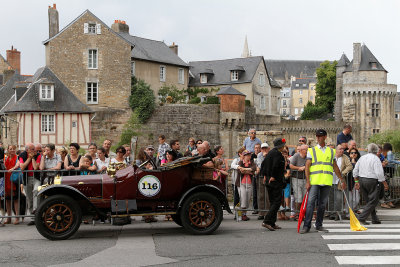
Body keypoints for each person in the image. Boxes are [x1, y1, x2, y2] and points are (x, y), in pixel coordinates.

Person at [300, 129, 346, 234]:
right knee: (311, 203)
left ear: (325, 137)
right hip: (315, 181)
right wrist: (308, 181)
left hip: (326, 181)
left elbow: (335, 167)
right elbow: (307, 166)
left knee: (322, 205)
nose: (318, 138)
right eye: (317, 136)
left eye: (320, 136)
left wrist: (342, 179)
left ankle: (319, 225)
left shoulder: (331, 151)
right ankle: (306, 225)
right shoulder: (312, 150)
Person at [353, 143, 388, 225]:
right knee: (373, 201)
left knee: (369, 200)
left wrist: (356, 181)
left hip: (362, 180)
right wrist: (385, 183)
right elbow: (379, 173)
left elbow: (355, 170)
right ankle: (361, 218)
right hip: (372, 181)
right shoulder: (376, 159)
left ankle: (374, 218)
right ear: (376, 150)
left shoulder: (362, 158)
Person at [261, 138, 287, 231]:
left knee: (273, 202)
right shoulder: (277, 154)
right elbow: (276, 166)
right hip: (275, 181)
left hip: (269, 180)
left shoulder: (270, 153)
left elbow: (263, 165)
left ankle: (272, 222)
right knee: (276, 201)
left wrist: (265, 175)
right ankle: (267, 221)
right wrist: (273, 176)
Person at [328, 145, 352, 221]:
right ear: (336, 150)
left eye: (343, 149)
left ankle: (338, 213)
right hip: (330, 180)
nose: (342, 150)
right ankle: (331, 213)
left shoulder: (345, 157)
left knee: (339, 198)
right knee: (330, 198)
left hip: (339, 181)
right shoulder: (331, 156)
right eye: (340, 149)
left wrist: (342, 173)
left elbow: (350, 166)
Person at [18, 143, 41, 225]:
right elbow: (22, 167)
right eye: (32, 149)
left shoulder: (38, 155)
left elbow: (35, 168)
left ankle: (36, 215)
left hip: (36, 178)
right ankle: (32, 218)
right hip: (26, 178)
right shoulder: (22, 155)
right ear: (27, 150)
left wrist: (33, 158)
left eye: (34, 149)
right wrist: (29, 158)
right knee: (29, 198)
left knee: (36, 191)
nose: (34, 150)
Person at [289, 144, 308, 219]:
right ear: (302, 150)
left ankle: (302, 213)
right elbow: (291, 165)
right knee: (298, 197)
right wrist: (299, 168)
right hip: (296, 178)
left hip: (305, 179)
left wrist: (305, 167)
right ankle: (297, 213)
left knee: (304, 197)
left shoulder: (308, 157)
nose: (307, 151)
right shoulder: (296, 156)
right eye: (306, 150)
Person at [236, 150, 256, 221]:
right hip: (241, 183)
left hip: (249, 183)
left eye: (249, 155)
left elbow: (254, 169)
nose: (249, 156)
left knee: (248, 199)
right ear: (244, 156)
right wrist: (249, 171)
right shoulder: (240, 162)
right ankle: (242, 215)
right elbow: (240, 171)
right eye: (247, 155)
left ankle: (244, 213)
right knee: (243, 198)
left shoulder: (252, 162)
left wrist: (245, 170)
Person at [4, 145, 20, 224]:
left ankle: (17, 217)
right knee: (7, 199)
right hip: (7, 180)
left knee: (16, 199)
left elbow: (18, 165)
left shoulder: (18, 157)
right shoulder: (6, 158)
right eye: (11, 149)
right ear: (8, 150)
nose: (13, 150)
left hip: (14, 180)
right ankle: (9, 217)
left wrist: (13, 168)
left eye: (14, 149)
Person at [381, 143, 399, 208]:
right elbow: (389, 161)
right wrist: (398, 162)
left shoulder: (385, 153)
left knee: (386, 186)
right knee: (386, 186)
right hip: (388, 171)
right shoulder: (390, 152)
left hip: (387, 171)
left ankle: (387, 201)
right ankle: (387, 201)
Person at [256, 143, 270, 220]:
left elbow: (269, 165)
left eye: (265, 148)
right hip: (261, 176)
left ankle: (268, 212)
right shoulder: (259, 155)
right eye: (263, 148)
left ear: (268, 148)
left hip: (268, 176)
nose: (264, 150)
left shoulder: (270, 155)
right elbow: (260, 165)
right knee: (261, 195)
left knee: (268, 195)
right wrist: (264, 157)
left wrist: (266, 157)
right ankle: (261, 212)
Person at [231, 147, 245, 219]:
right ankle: (237, 214)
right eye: (243, 153)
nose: (245, 155)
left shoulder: (246, 160)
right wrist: (238, 167)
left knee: (243, 198)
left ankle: (243, 214)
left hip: (244, 182)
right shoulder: (236, 160)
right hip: (236, 182)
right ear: (240, 154)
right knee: (237, 198)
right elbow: (232, 165)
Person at [251, 143, 261, 214]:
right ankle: (255, 208)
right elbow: (251, 164)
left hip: (260, 175)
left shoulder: (262, 155)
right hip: (254, 175)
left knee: (261, 192)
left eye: (258, 148)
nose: (257, 149)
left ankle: (261, 207)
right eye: (256, 148)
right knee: (255, 192)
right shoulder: (252, 156)